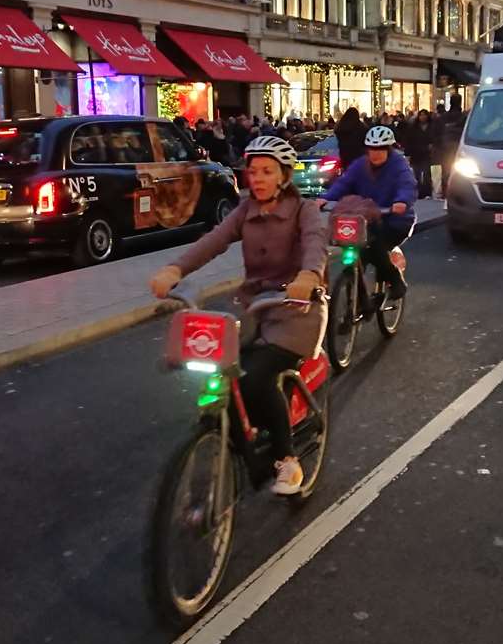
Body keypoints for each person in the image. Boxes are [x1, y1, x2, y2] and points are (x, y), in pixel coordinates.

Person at [149, 136, 327, 496]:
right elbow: (212, 242)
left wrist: (309, 276)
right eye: (253, 171)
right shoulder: (244, 211)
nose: (257, 178)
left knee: (256, 377)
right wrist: (174, 269)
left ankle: (287, 460)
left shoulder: (304, 210)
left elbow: (315, 242)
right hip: (255, 310)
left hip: (297, 311)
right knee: (224, 370)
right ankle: (236, 434)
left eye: (267, 171)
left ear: (284, 176)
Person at [317, 125, 417, 299]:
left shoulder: (399, 165)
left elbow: (406, 185)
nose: (375, 153)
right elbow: (344, 182)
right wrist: (326, 197)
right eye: (372, 149)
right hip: (366, 220)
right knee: (357, 253)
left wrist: (401, 201)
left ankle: (395, 280)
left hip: (394, 221)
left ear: (389, 149)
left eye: (380, 149)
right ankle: (357, 300)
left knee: (374, 246)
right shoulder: (360, 165)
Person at [434, 93, 467, 199]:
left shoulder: (443, 117)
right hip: (460, 147)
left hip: (446, 148)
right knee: (460, 172)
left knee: (447, 171)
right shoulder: (464, 117)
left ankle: (446, 192)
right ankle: (458, 192)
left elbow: (437, 133)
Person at [401, 109, 434, 198]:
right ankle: (419, 192)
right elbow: (409, 140)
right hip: (416, 154)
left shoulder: (432, 127)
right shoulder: (413, 128)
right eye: (421, 115)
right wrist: (407, 153)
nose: (423, 117)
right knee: (417, 174)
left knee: (427, 174)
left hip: (427, 154)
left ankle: (427, 192)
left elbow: (436, 138)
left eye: (424, 115)